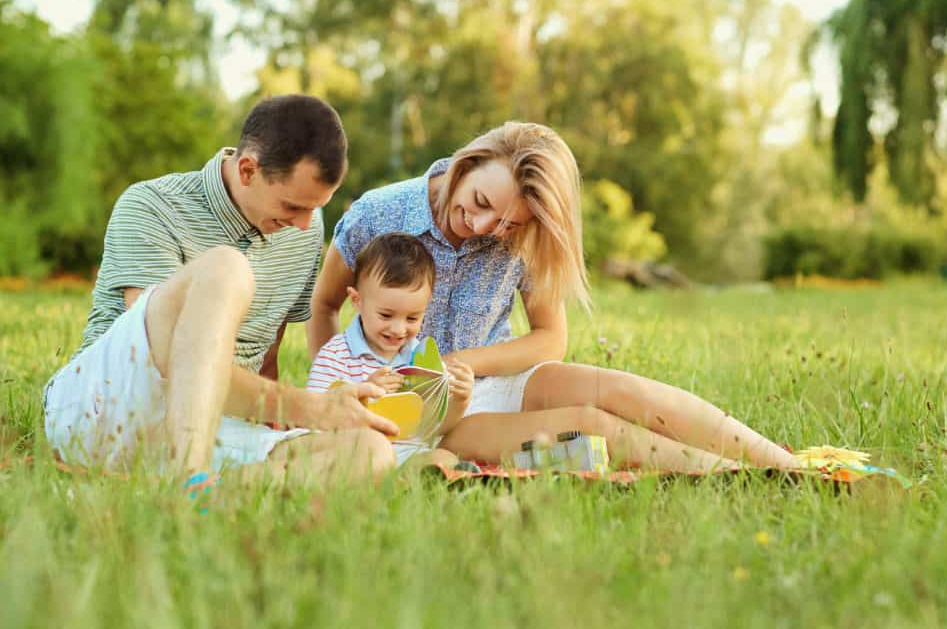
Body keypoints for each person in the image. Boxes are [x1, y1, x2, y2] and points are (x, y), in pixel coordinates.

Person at [309, 122, 800, 472]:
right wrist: (346, 401)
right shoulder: (379, 211)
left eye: (508, 223)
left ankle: (784, 464)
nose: (483, 227)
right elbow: (325, 306)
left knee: (626, 391)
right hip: (434, 412)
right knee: (590, 424)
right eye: (481, 203)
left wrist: (462, 362)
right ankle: (737, 476)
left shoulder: (524, 236)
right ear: (469, 163)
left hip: (495, 376)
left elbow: (549, 338)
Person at [42, 94, 399, 488]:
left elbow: (267, 352)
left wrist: (279, 426)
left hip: (214, 423)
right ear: (247, 169)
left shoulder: (304, 231)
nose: (304, 224)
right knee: (226, 267)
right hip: (102, 409)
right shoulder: (152, 204)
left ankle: (205, 495)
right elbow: (165, 356)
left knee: (370, 451)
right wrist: (311, 408)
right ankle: (188, 476)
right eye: (293, 206)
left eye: (315, 209)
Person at [306, 232, 474, 466]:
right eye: (386, 315)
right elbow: (313, 417)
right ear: (357, 301)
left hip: (408, 452)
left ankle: (415, 480)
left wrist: (460, 401)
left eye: (412, 318)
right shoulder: (336, 354)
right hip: (358, 450)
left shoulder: (422, 361)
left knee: (444, 458)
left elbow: (434, 428)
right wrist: (365, 393)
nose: (398, 329)